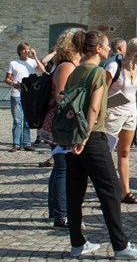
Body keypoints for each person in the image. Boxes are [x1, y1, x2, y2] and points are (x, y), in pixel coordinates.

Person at [64, 30, 137, 259]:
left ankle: (77, 243)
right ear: (98, 49)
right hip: (91, 137)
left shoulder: (75, 71)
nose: (110, 50)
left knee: (75, 191)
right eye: (106, 46)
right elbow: (92, 108)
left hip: (71, 138)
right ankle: (121, 246)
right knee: (111, 190)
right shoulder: (98, 73)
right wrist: (84, 137)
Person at [39, 29, 81, 229]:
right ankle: (61, 215)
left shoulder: (67, 65)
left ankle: (54, 209)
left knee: (59, 167)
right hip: (61, 123)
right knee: (63, 168)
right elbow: (62, 98)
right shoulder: (66, 66)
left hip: (62, 122)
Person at [105, 38, 137, 205]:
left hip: (131, 113)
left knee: (124, 152)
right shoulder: (113, 67)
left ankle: (125, 192)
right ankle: (108, 189)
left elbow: (133, 90)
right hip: (112, 113)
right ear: (136, 54)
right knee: (107, 153)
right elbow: (102, 91)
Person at [5, 42, 45, 152]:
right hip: (16, 94)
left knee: (27, 120)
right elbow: (7, 78)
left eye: (28, 49)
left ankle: (27, 143)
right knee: (17, 120)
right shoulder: (13, 63)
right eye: (24, 49)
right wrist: (14, 84)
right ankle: (16, 143)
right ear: (20, 51)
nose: (26, 51)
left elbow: (43, 70)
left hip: (30, 95)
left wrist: (36, 57)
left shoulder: (32, 62)